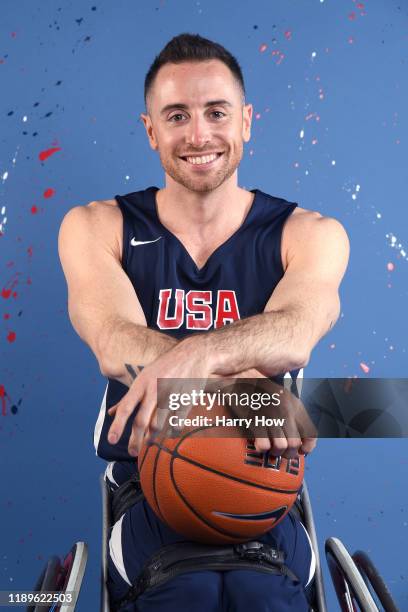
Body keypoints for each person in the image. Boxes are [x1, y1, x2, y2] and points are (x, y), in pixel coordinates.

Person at [58, 33, 349, 612]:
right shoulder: (97, 226)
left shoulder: (309, 234)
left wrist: (195, 361)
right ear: (150, 130)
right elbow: (111, 338)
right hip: (148, 483)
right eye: (177, 116)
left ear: (245, 121)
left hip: (263, 476)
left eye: (216, 113)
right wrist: (236, 387)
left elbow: (296, 330)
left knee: (264, 594)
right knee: (184, 593)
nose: (198, 135)